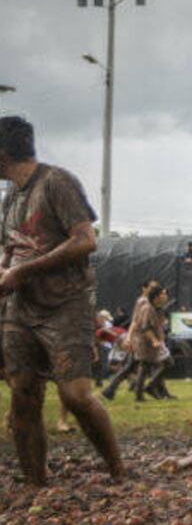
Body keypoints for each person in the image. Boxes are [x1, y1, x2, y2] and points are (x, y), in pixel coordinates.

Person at [0, 116, 124, 483]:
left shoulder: (56, 182)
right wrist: (6, 272)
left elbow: (85, 239)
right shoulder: (11, 197)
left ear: (3, 154)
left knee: (75, 396)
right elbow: (11, 250)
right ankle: (35, 483)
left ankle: (118, 471)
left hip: (65, 303)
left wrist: (24, 271)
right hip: (21, 306)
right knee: (23, 392)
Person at [129, 283, 174, 401]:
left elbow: (159, 325)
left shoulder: (158, 308)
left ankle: (140, 395)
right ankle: (149, 387)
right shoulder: (147, 309)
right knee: (167, 362)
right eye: (163, 294)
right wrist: (154, 340)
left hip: (153, 342)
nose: (166, 296)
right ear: (157, 296)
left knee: (145, 367)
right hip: (146, 342)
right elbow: (145, 328)